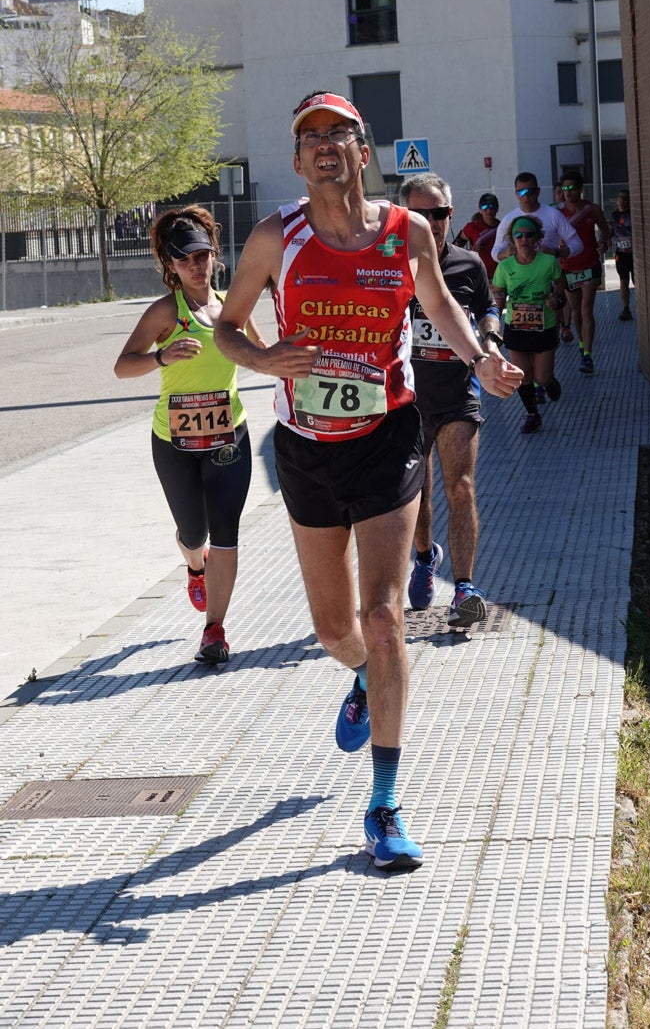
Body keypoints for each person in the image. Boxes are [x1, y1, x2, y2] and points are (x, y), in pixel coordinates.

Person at [214, 90, 523, 871]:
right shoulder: (272, 238)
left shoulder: (406, 230)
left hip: (388, 436)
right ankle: (359, 676)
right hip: (305, 446)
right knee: (334, 631)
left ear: (363, 149)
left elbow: (442, 303)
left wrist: (479, 357)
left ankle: (383, 806)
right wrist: (259, 358)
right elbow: (226, 322)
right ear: (295, 160)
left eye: (338, 134)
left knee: (383, 619)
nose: (324, 146)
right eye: (309, 137)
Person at [114, 206, 265, 664]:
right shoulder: (165, 312)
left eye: (202, 256)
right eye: (185, 260)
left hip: (227, 438)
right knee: (194, 533)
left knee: (225, 534)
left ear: (215, 255)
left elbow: (259, 355)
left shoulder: (231, 308)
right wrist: (163, 358)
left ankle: (214, 630)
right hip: (175, 443)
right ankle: (193, 565)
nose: (196, 267)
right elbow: (123, 366)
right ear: (171, 267)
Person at [399, 172, 502, 627]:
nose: (431, 221)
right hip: (407, 401)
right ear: (405, 217)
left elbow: (488, 309)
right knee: (419, 494)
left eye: (438, 213)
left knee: (460, 487)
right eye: (420, 214)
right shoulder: (392, 267)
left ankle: (464, 589)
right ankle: (424, 557)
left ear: (449, 215)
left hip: (459, 394)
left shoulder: (468, 264)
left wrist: (492, 342)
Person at [491, 215, 567, 433]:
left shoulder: (548, 263)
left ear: (537, 238)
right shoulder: (504, 267)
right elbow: (497, 296)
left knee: (541, 377)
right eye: (518, 235)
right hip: (516, 326)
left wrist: (557, 301)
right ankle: (532, 415)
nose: (523, 239)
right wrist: (493, 323)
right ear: (512, 240)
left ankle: (550, 382)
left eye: (528, 234)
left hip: (544, 326)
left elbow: (562, 288)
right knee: (522, 375)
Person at [558, 170, 611, 375]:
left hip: (589, 264)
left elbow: (606, 231)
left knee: (586, 309)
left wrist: (603, 243)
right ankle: (582, 345)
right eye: (564, 189)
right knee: (575, 311)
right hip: (568, 267)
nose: (568, 192)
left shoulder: (592, 210)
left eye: (571, 188)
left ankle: (588, 354)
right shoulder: (559, 214)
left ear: (580, 189)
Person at [491, 171, 583, 264]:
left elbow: (577, 245)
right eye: (521, 192)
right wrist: (506, 254)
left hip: (548, 275)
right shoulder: (508, 220)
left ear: (538, 191)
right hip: (519, 276)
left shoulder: (553, 215)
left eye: (530, 191)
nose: (526, 196)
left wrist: (555, 252)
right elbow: (495, 253)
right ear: (516, 194)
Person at [452, 191, 501, 280]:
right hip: (478, 277)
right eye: (484, 207)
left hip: (499, 277)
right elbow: (454, 248)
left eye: (492, 206)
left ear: (497, 208)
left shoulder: (502, 227)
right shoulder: (472, 227)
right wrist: (470, 252)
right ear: (480, 209)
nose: (488, 210)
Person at [609, 188, 634, 321]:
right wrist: (604, 239)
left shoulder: (633, 214)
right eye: (620, 198)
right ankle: (626, 309)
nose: (622, 201)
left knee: (637, 281)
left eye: (625, 199)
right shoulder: (614, 215)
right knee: (623, 280)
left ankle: (640, 306)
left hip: (634, 254)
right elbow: (610, 231)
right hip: (621, 253)